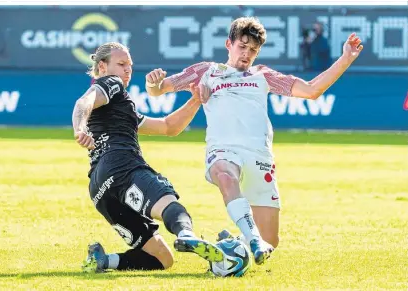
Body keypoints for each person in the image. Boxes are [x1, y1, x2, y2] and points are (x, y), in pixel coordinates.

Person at [145, 17, 363, 265]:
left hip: (259, 158)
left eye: (253, 50)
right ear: (229, 44)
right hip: (223, 151)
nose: (247, 54)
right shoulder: (207, 72)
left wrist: (346, 59)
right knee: (225, 176)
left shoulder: (264, 75)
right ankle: (251, 238)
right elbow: (160, 88)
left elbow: (312, 90)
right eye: (242, 46)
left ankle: (230, 246)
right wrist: (153, 84)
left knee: (270, 239)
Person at [72, 42, 224, 273]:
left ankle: (103, 261)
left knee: (162, 258)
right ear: (102, 66)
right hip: (122, 165)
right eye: (121, 64)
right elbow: (84, 102)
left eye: (130, 65)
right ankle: (186, 234)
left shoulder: (122, 108)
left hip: (100, 189)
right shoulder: (110, 83)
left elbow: (168, 127)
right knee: (167, 202)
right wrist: (80, 128)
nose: (127, 70)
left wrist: (195, 101)